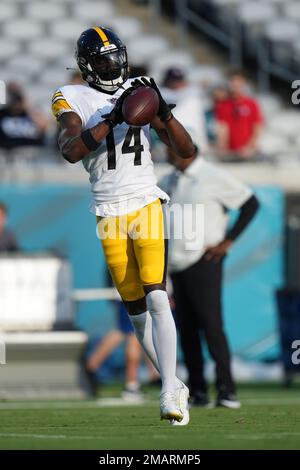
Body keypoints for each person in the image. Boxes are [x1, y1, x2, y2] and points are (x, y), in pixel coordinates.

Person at [52, 26, 195, 425]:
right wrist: (111, 117)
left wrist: (164, 111)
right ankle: (175, 382)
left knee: (157, 295)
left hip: (146, 200)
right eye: (104, 60)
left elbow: (186, 151)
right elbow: (70, 150)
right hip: (108, 211)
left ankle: (168, 391)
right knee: (135, 312)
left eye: (117, 57)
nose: (114, 66)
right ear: (88, 65)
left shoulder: (140, 87)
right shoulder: (69, 96)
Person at [160, 142, 259, 408]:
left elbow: (250, 203)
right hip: (176, 264)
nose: (166, 152)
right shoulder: (168, 179)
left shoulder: (211, 176)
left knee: (211, 325)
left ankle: (227, 390)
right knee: (188, 329)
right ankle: (198, 390)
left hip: (204, 260)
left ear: (186, 149)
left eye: (171, 147)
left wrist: (227, 242)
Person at [215, 70, 264, 160]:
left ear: (244, 84)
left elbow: (257, 127)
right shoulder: (223, 105)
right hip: (231, 153)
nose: (235, 85)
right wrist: (222, 147)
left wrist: (249, 147)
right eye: (233, 82)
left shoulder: (251, 104)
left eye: (238, 82)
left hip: (248, 151)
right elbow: (223, 128)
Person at [161, 67, 208, 154]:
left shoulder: (193, 92)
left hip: (196, 135)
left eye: (179, 80)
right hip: (174, 136)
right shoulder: (162, 93)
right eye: (173, 80)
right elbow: (174, 96)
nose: (177, 83)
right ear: (167, 81)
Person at [0, 82, 48, 150]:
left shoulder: (32, 112)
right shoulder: (2, 114)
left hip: (33, 151)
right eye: (11, 94)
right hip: (8, 152)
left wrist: (28, 107)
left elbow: (44, 128)